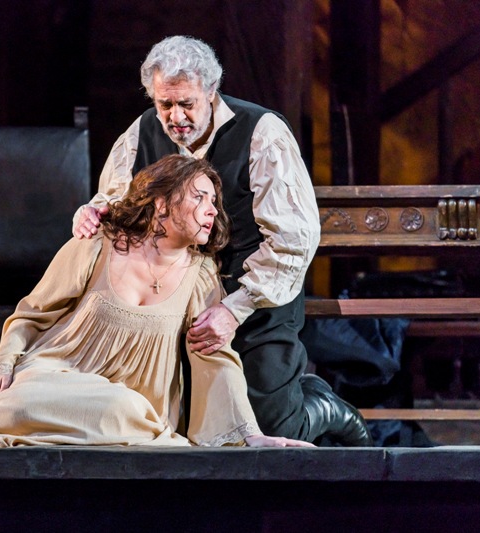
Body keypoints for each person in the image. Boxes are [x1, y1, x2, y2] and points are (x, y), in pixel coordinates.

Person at [0, 155, 313, 448]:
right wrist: (3, 365)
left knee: (121, 411)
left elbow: (215, 356)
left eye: (214, 201)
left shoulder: (200, 275)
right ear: (160, 203)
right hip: (57, 372)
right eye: (199, 197)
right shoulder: (99, 244)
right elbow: (31, 313)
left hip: (133, 406)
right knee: (24, 400)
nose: (212, 209)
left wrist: (249, 435)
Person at [73, 36, 371, 446]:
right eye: (165, 104)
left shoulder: (261, 132)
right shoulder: (142, 131)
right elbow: (115, 200)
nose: (175, 116)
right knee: (176, 418)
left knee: (271, 428)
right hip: (176, 297)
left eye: (186, 103)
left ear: (211, 91)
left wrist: (233, 309)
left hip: (255, 293)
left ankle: (323, 403)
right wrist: (93, 211)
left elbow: (293, 239)